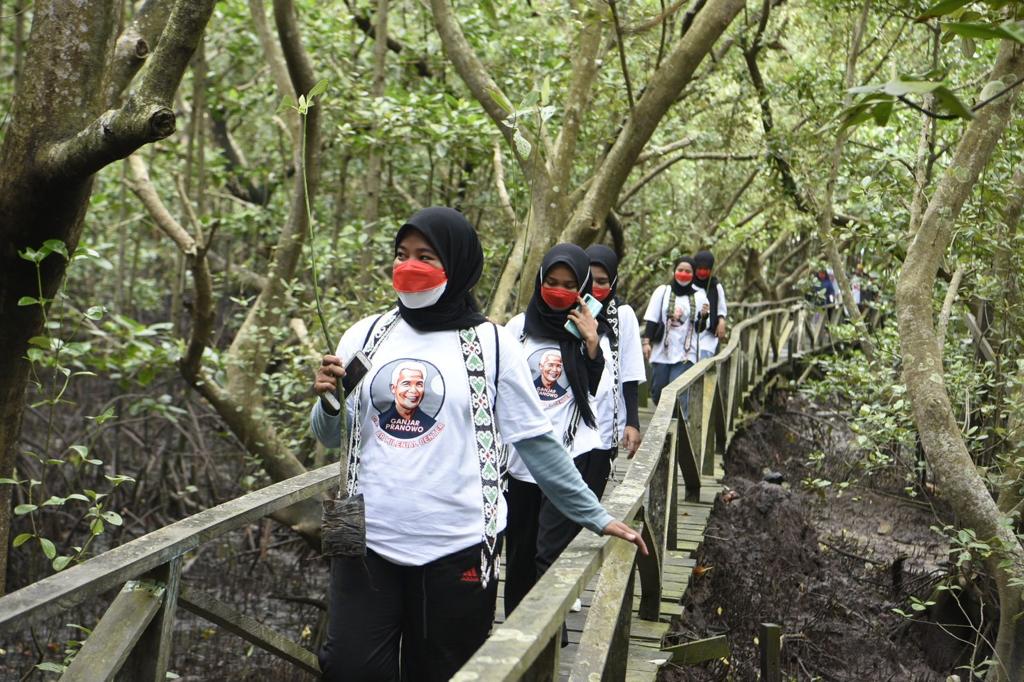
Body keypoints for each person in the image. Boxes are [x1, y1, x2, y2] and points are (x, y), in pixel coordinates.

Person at [310, 208, 646, 682]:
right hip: (366, 545)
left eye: (426, 256)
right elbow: (330, 435)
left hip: (457, 549)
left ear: (459, 262)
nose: (409, 265)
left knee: (445, 673)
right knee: (348, 668)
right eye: (401, 255)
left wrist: (597, 515)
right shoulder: (367, 335)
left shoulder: (490, 344)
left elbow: (537, 444)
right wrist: (328, 400)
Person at [502, 244, 606, 619]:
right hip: (521, 460)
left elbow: (594, 387)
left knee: (549, 553)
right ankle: (515, 639)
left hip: (569, 456)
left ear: (580, 288)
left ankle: (550, 645)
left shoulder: (585, 326)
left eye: (568, 284)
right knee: (519, 555)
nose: (559, 290)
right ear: (540, 280)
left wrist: (591, 342)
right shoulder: (516, 329)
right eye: (552, 282)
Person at [642, 256, 710, 407]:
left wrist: (704, 317)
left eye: (688, 271)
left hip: (686, 353)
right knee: (658, 392)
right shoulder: (663, 292)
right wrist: (646, 342)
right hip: (662, 351)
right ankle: (668, 421)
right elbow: (652, 318)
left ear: (693, 274)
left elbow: (700, 328)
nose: (683, 274)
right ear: (674, 271)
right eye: (680, 270)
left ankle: (676, 426)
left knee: (677, 393)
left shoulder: (699, 296)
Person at [692, 249, 728, 360]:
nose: (702, 273)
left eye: (706, 269)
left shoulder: (715, 286)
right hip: (690, 333)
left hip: (709, 334)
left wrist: (721, 321)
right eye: (700, 269)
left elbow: (721, 307)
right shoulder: (689, 285)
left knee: (703, 361)